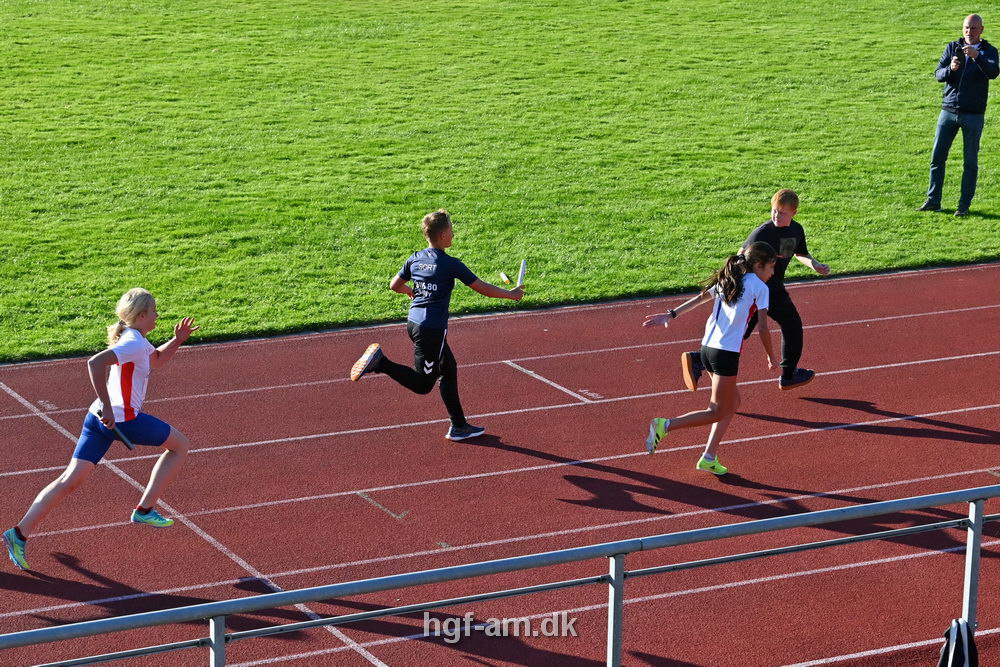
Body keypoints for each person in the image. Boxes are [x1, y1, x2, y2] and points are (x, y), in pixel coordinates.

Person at [3, 288, 198, 571]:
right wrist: (109, 406)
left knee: (71, 480)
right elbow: (94, 362)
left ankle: (18, 534)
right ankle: (144, 510)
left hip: (97, 418)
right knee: (180, 446)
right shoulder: (132, 343)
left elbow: (154, 360)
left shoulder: (137, 339)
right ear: (141, 315)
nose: (158, 315)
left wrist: (177, 341)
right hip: (122, 419)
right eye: (154, 311)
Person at [350, 209, 523, 441]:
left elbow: (394, 285)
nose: (453, 233)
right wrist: (511, 295)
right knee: (423, 385)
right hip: (431, 331)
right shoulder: (450, 264)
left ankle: (459, 426)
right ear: (442, 235)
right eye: (451, 229)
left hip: (414, 323)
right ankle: (381, 362)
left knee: (448, 369)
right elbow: (482, 287)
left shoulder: (415, 258)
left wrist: (412, 291)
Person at [643, 242, 778, 475]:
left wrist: (671, 315)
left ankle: (709, 457)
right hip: (725, 354)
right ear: (758, 265)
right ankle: (665, 425)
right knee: (716, 410)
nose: (773, 273)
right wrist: (771, 357)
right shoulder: (760, 287)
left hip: (707, 348)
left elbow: (700, 298)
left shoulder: (730, 278)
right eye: (771, 267)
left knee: (733, 402)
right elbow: (764, 328)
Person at [680, 189, 829, 392]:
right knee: (762, 327)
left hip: (772, 286)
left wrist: (815, 265)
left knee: (775, 327)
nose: (777, 216)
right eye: (774, 211)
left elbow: (800, 253)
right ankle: (788, 375)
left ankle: (701, 358)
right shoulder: (762, 233)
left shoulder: (796, 230)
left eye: (782, 213)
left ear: (794, 213)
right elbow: (741, 256)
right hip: (759, 287)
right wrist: (739, 285)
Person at [919, 14, 999, 216]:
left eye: (973, 28)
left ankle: (963, 207)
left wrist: (976, 56)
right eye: (966, 27)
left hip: (973, 115)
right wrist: (950, 69)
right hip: (948, 111)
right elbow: (938, 74)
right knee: (937, 158)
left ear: (981, 29)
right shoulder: (952, 47)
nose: (968, 32)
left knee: (970, 162)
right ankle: (933, 200)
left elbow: (992, 72)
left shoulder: (989, 51)